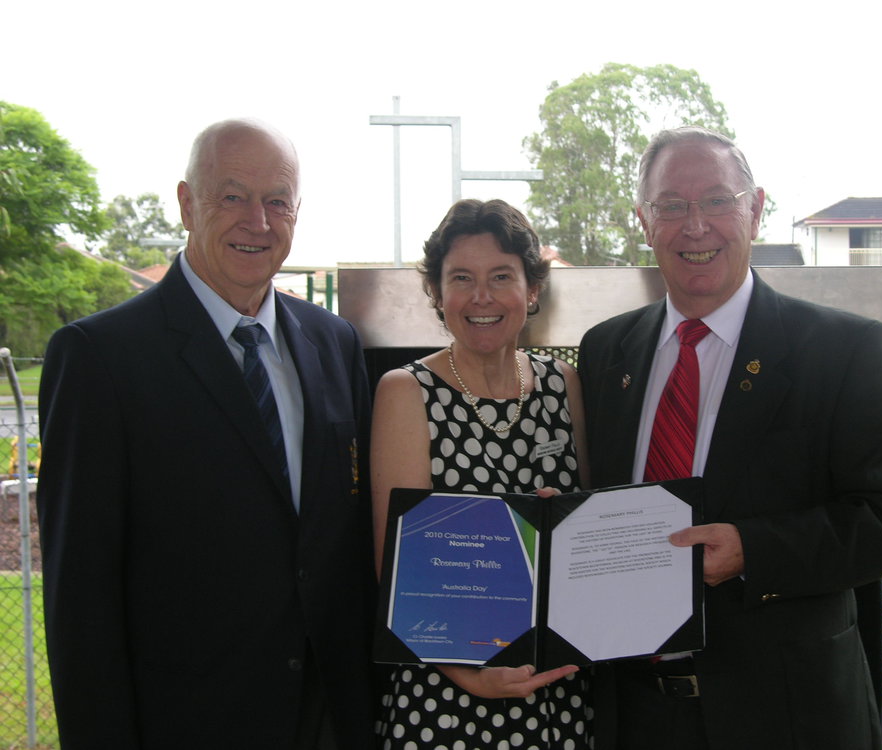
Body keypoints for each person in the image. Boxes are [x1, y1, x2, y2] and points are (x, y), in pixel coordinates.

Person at [577, 127, 882, 750]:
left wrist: (753, 550)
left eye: (717, 200)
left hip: (787, 715)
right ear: (643, 219)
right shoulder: (606, 350)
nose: (695, 226)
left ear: (755, 208)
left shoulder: (842, 349)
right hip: (633, 714)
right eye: (671, 206)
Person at [37, 119, 376, 749]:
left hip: (333, 717)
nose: (260, 221)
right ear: (188, 204)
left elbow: (347, 540)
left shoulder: (334, 342)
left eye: (278, 201)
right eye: (233, 196)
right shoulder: (100, 358)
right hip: (189, 721)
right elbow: (80, 595)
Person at [371, 198, 593, 749]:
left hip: (556, 691)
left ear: (532, 289)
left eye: (501, 276)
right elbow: (395, 569)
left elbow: (587, 533)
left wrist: (563, 526)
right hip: (448, 696)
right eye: (461, 279)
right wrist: (471, 676)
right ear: (437, 294)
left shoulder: (563, 383)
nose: (481, 297)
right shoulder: (406, 392)